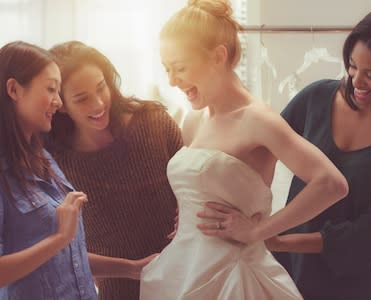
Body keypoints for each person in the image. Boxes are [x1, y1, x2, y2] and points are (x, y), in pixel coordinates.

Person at [201, 5, 371, 300]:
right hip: (284, 275)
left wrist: (272, 237)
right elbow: (254, 152)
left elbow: (365, 239)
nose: (356, 81)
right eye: (352, 66)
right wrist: (201, 199)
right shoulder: (316, 98)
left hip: (350, 288)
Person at [140, 1, 349, 299]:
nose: (172, 81)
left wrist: (257, 231)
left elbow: (332, 184)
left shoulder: (258, 120)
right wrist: (187, 213)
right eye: (167, 69)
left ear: (218, 56)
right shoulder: (194, 118)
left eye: (180, 68)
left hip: (235, 277)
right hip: (183, 268)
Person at [0, 41, 156, 299]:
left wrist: (133, 269)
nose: (58, 102)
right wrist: (58, 238)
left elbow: (68, 256)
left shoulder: (44, 159)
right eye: (50, 89)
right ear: (14, 89)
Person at [45, 41, 182, 299]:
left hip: (184, 274)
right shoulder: (55, 163)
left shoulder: (153, 122)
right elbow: (59, 248)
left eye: (101, 88)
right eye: (82, 99)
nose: (98, 104)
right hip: (117, 289)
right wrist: (130, 270)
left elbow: (193, 186)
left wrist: (187, 210)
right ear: (61, 104)